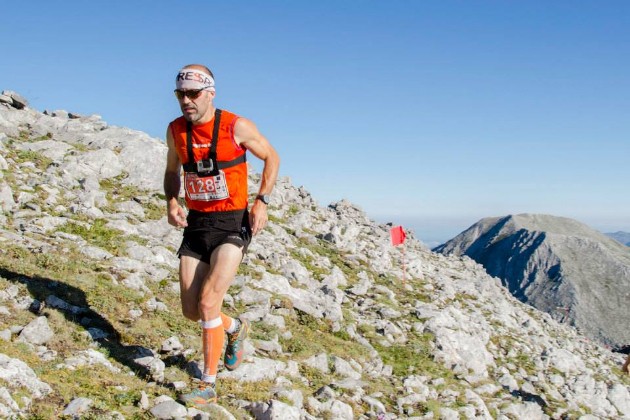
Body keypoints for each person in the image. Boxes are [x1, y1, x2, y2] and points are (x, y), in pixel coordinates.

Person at [163, 64, 280, 406]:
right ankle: (234, 328)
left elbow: (272, 156)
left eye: (193, 94)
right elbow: (172, 170)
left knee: (208, 301)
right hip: (197, 223)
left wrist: (262, 201)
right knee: (191, 310)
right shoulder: (175, 131)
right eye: (180, 94)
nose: (186, 101)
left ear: (210, 94)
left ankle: (207, 384)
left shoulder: (236, 126)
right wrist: (172, 201)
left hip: (232, 223)